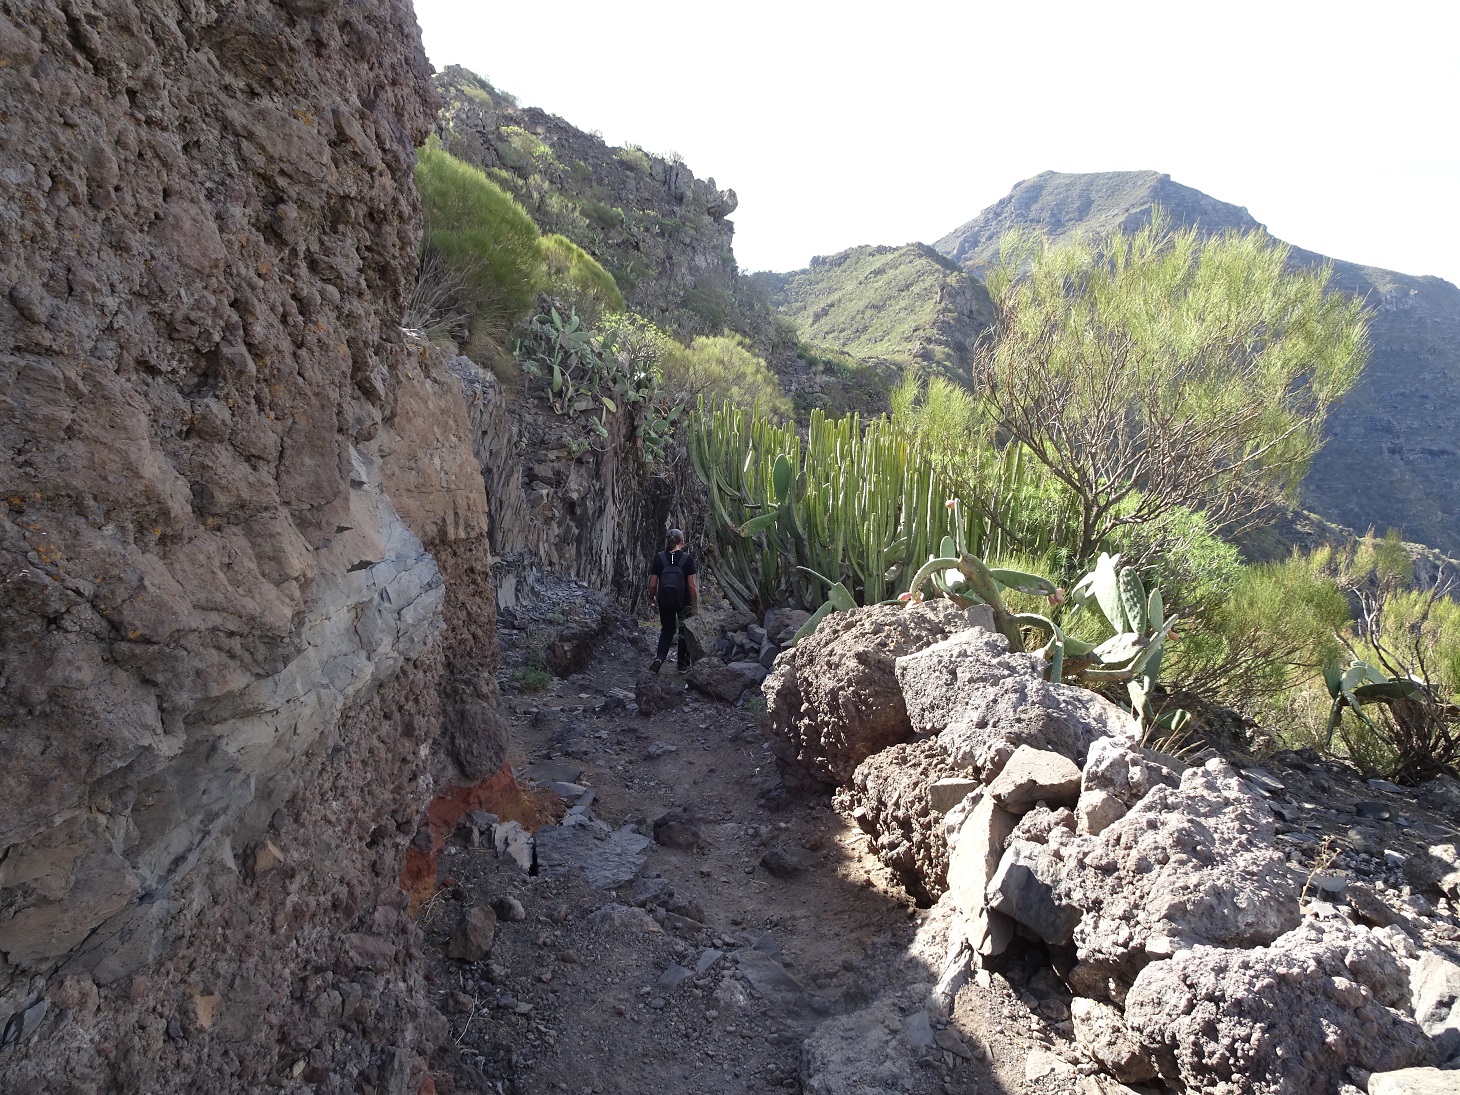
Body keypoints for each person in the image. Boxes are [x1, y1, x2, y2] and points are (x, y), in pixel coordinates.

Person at [647, 529, 698, 673]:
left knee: (667, 629)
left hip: (665, 600)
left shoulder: (659, 558)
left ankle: (659, 659)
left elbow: (653, 584)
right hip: (684, 600)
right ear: (682, 542)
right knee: (683, 630)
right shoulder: (687, 559)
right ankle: (682, 665)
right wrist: (694, 605)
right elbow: (692, 585)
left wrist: (651, 598)